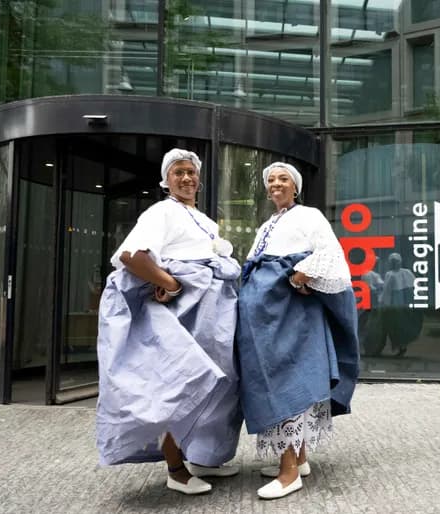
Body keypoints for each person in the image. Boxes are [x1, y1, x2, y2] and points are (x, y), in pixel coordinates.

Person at [95, 149, 243, 495]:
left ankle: (201, 458)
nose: (187, 177)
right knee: (178, 386)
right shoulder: (161, 211)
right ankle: (176, 471)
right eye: (179, 172)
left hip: (210, 318)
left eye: (191, 172)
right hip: (183, 316)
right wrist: (170, 283)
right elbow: (131, 256)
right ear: (166, 180)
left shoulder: (204, 220)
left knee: (216, 387)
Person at [236, 162, 359, 500]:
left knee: (286, 381)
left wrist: (299, 276)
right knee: (277, 379)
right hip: (266, 319)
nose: (276, 183)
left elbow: (331, 254)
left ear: (296, 187)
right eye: (271, 179)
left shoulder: (309, 215)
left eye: (283, 179)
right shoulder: (267, 224)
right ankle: (299, 458)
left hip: (291, 315)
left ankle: (289, 472)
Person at [379, 253, 423, 356]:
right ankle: (401, 346)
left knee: (400, 325)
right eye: (394, 262)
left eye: (396, 262)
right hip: (400, 304)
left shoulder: (405, 272)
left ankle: (402, 345)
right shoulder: (393, 274)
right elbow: (387, 291)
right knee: (398, 325)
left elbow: (387, 291)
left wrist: (383, 303)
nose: (395, 264)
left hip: (402, 305)